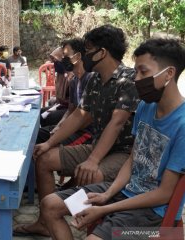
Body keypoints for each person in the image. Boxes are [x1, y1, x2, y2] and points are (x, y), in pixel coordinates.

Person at [41, 38, 185, 240]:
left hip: (152, 215)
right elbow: (133, 158)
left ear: (169, 73)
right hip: (123, 191)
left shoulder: (182, 125)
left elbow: (164, 194)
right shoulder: (146, 106)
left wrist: (105, 209)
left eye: (143, 72)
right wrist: (107, 195)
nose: (136, 79)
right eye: (136, 71)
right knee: (50, 205)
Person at [14, 24, 139, 237]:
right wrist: (49, 143)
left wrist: (93, 160)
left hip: (123, 153)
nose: (84, 56)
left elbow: (116, 123)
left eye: (88, 50)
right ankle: (46, 221)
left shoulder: (128, 80)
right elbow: (80, 115)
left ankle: (82, 217)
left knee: (93, 174)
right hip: (98, 146)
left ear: (102, 52)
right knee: (44, 158)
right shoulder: (95, 80)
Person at [36, 38, 94, 170]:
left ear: (78, 56)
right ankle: (32, 183)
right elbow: (70, 110)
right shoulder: (74, 81)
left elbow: (83, 118)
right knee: (37, 135)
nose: (62, 61)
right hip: (72, 127)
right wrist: (59, 126)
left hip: (86, 133)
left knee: (44, 154)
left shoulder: (90, 80)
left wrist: (57, 135)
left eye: (65, 56)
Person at [39, 45, 70, 127]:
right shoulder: (60, 75)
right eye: (53, 61)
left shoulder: (70, 76)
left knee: (48, 117)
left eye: (56, 60)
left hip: (68, 108)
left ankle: (49, 133)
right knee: (40, 112)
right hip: (61, 104)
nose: (54, 63)